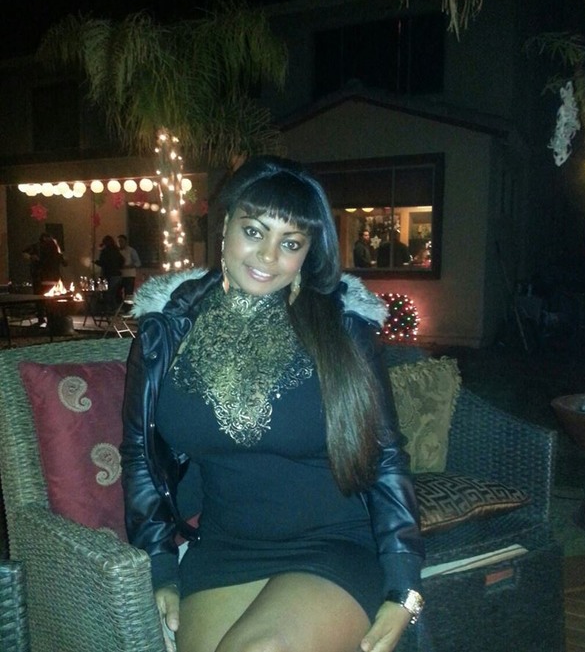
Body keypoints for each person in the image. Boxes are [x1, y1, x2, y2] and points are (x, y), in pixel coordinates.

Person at [120, 156, 424, 652]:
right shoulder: (165, 331)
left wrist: (403, 581)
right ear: (225, 227)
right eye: (253, 231)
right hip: (225, 549)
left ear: (308, 251)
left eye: (290, 243)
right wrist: (160, 565)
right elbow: (139, 455)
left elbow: (386, 455)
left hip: (335, 544)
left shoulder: (342, 329)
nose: (267, 255)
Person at [22, 232, 67, 325]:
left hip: (42, 278)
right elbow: (65, 263)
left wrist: (31, 258)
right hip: (52, 279)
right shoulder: (52, 249)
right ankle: (52, 318)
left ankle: (42, 318)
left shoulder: (38, 247)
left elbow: (25, 253)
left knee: (40, 299)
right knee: (50, 300)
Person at [94, 235, 124, 310]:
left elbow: (103, 262)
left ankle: (108, 309)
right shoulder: (116, 250)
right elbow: (122, 260)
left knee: (107, 293)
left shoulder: (105, 251)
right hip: (117, 274)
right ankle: (115, 309)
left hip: (109, 274)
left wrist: (95, 262)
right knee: (113, 293)